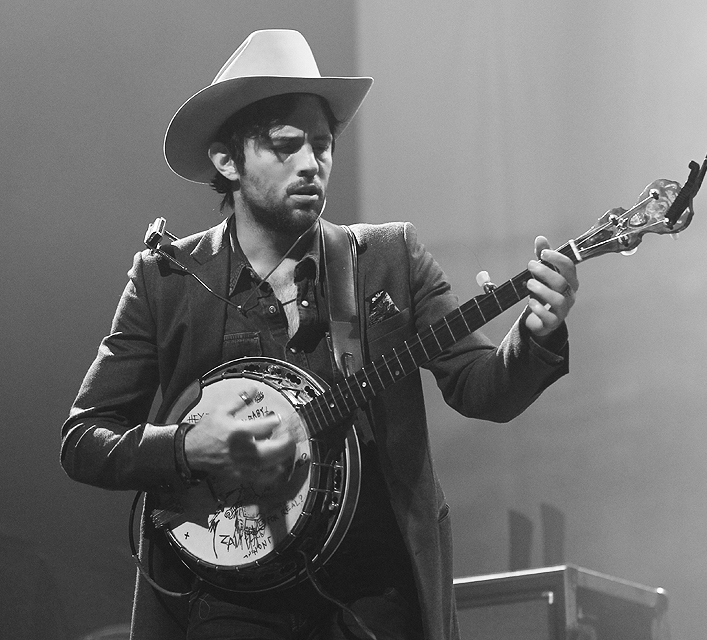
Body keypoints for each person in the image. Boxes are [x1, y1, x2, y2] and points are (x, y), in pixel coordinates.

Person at [61, 29, 578, 640]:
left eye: (322, 145)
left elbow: (481, 388)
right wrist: (186, 448)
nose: (311, 163)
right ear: (227, 161)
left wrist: (536, 334)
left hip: (372, 599)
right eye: (286, 146)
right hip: (225, 605)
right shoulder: (166, 280)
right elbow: (85, 438)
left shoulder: (389, 258)